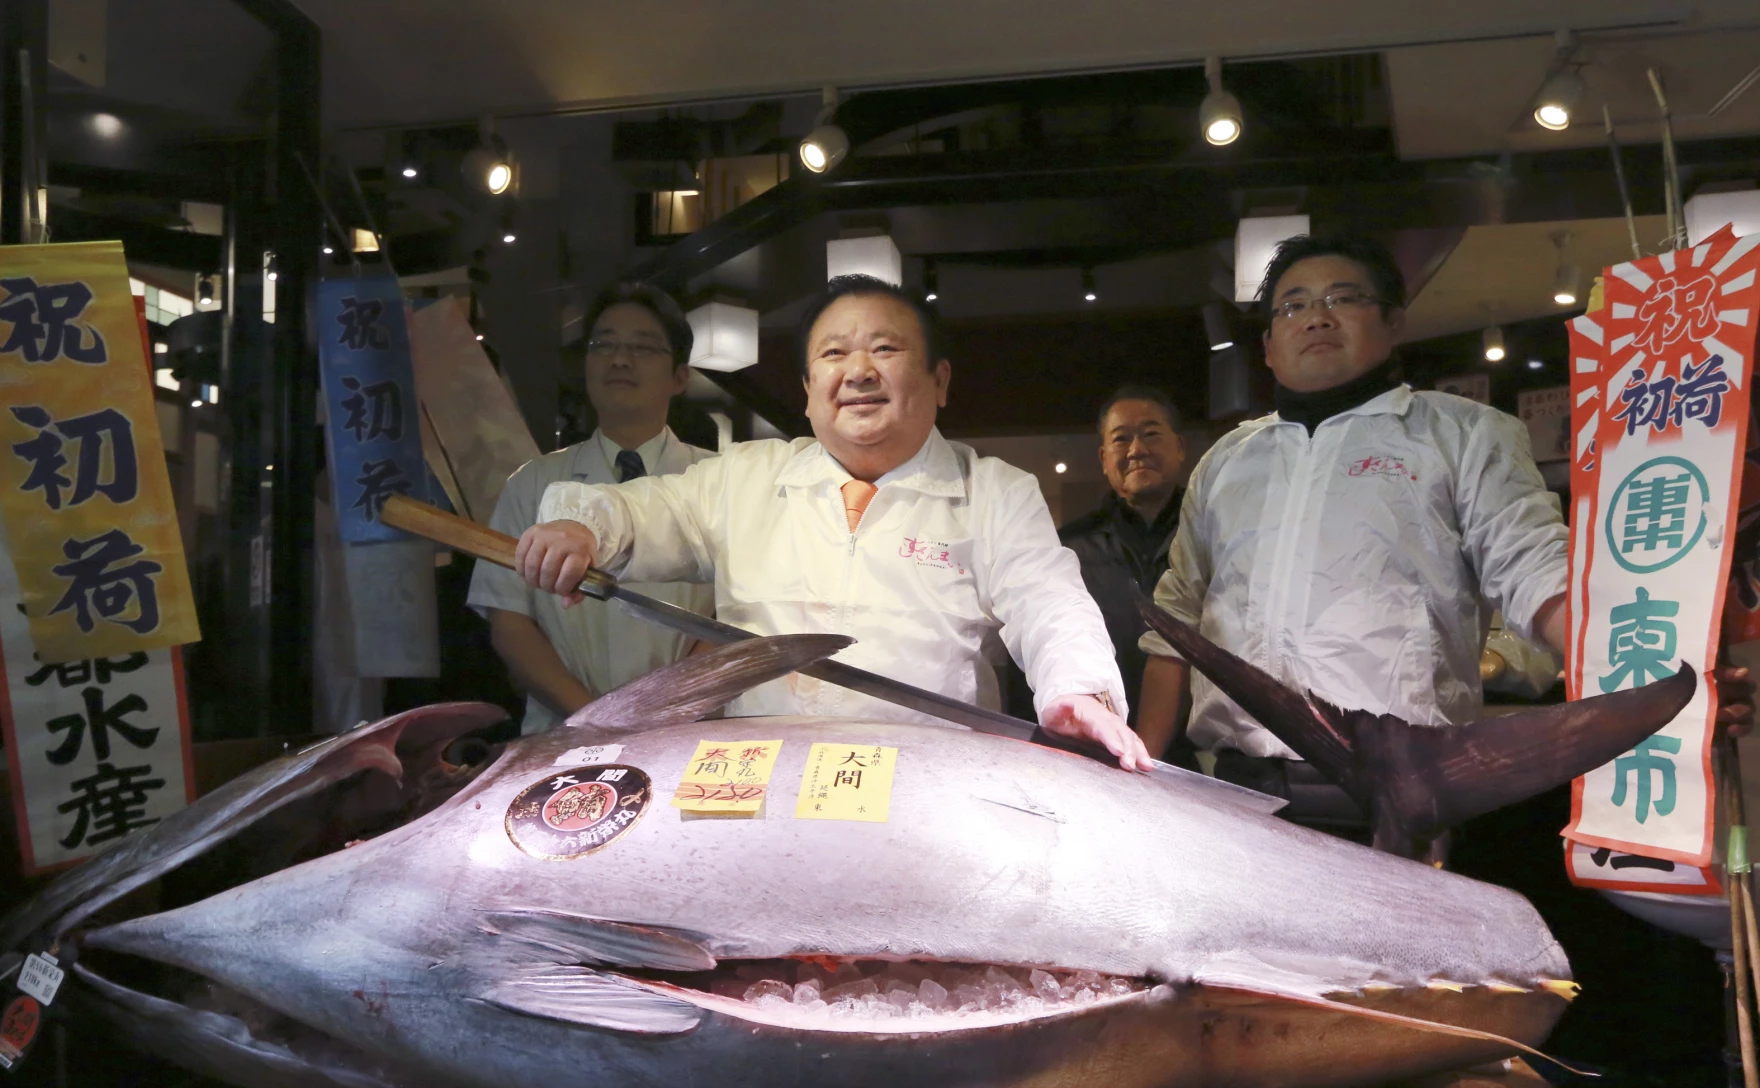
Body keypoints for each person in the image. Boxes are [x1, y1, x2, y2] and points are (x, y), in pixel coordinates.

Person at [1133, 232, 1751, 823]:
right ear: (1268, 344)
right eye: (1293, 306)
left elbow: (1534, 574)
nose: (1316, 317)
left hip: (1398, 789)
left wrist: (1659, 684)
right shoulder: (1227, 461)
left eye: (1342, 298)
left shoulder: (1463, 433)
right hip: (1238, 788)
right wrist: (1143, 768)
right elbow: (1174, 625)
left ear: (1394, 321)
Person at [514, 273, 1151, 769]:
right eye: (834, 352)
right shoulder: (746, 476)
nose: (859, 370)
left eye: (885, 348)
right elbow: (647, 509)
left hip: (928, 780)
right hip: (757, 775)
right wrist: (583, 527)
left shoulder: (994, 490)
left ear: (940, 380)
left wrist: (1077, 692)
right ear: (809, 387)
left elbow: (1047, 598)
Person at [466, 281, 716, 733]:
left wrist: (666, 713)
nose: (620, 359)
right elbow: (509, 622)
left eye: (643, 347)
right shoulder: (532, 483)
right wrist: (595, 719)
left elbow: (733, 617)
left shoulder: (719, 479)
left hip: (686, 731)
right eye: (605, 344)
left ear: (680, 376)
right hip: (562, 732)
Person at [1059, 385, 1186, 717]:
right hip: (1098, 736)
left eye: (1151, 434)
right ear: (1104, 459)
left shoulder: (1213, 536)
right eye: (1121, 439)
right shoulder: (1068, 548)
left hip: (1205, 748)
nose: (1137, 449)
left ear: (1180, 447)